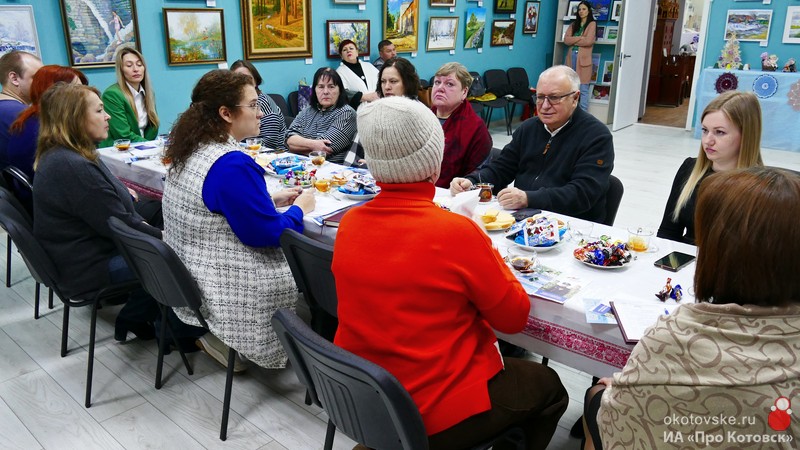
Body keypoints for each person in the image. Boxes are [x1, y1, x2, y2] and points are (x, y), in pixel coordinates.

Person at [333, 96, 569, 449]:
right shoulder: (456, 232)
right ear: (433, 161)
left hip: (366, 395)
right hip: (433, 408)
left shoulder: (349, 223)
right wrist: (487, 251)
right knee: (550, 386)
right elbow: (513, 318)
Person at [583, 167, 800, 450]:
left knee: (597, 394)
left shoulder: (678, 332)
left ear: (718, 254)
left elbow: (619, 416)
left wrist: (618, 388)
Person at [162, 69, 315, 370]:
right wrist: (301, 209)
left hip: (192, 274)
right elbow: (266, 234)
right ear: (225, 113)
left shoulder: (193, 148)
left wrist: (269, 200)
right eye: (254, 105)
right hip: (229, 283)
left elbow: (211, 209)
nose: (261, 113)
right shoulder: (231, 164)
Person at [32, 83, 168, 343]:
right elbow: (122, 226)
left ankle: (148, 313)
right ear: (75, 119)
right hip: (90, 266)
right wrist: (166, 239)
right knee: (176, 257)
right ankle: (139, 318)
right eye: (99, 111)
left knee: (156, 210)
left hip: (82, 252)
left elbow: (113, 213)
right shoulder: (73, 167)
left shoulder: (64, 154)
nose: (107, 117)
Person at [450, 65, 614, 223]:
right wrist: (472, 181)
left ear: (575, 98)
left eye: (554, 98)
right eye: (540, 97)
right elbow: (502, 168)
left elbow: (583, 193)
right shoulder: (528, 128)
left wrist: (528, 198)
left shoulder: (596, 137)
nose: (545, 106)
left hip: (572, 223)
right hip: (525, 218)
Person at [657, 91, 763, 245]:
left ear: (746, 135)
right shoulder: (690, 169)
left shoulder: (762, 187)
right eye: (705, 130)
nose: (708, 141)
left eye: (720, 132)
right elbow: (668, 232)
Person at [7, 65, 88, 179]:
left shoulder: (29, 118)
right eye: (77, 90)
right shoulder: (48, 128)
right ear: (54, 92)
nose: (85, 96)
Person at [430, 62, 492, 189]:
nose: (440, 88)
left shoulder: (475, 127)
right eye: (437, 82)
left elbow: (480, 174)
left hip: (454, 194)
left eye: (449, 84)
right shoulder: (422, 117)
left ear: (464, 92)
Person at [286, 67, 356, 164]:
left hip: (332, 172)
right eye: (321, 87)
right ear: (314, 90)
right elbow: (288, 140)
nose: (326, 91)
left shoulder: (347, 113)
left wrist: (296, 145)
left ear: (340, 90)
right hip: (301, 167)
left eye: (331, 86)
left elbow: (323, 151)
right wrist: (313, 144)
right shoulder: (307, 111)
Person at [100, 47, 159, 147]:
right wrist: (151, 145)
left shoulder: (149, 93)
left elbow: (153, 125)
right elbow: (123, 134)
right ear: (121, 70)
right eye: (129, 65)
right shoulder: (112, 94)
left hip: (142, 148)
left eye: (139, 64)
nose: (136, 69)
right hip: (118, 151)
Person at [230, 59, 287, 150]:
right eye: (238, 79)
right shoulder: (235, 103)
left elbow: (269, 143)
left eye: (248, 79)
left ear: (256, 81)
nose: (243, 83)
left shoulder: (263, 103)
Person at [0, 50, 42, 167]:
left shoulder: (5, 108)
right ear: (14, 78)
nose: (42, 84)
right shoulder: (22, 115)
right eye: (37, 78)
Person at [564, 1, 596, 111]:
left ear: (588, 11)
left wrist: (575, 40)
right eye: (579, 9)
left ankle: (584, 116)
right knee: (570, 86)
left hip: (583, 59)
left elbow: (589, 41)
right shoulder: (573, 24)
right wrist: (581, 38)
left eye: (584, 9)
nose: (581, 11)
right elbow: (566, 40)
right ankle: (570, 113)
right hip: (571, 56)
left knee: (583, 87)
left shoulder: (592, 24)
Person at [335, 39, 379, 108]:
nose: (348, 51)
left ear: (357, 52)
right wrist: (365, 97)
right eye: (344, 50)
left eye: (351, 48)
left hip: (378, 104)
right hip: (358, 110)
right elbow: (342, 93)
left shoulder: (368, 65)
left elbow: (382, 80)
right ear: (341, 55)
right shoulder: (339, 72)